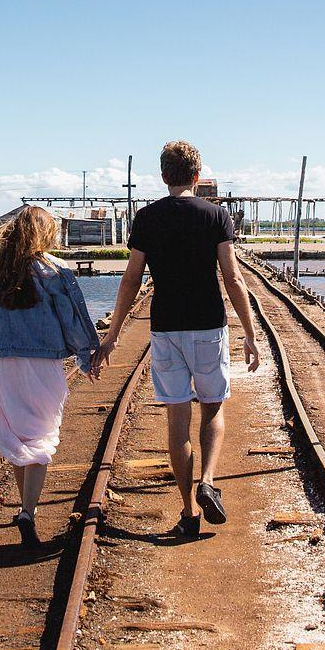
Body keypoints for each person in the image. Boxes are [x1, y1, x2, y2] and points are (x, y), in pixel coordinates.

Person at [97, 140, 260, 537]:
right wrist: (250, 333)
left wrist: (113, 334)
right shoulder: (216, 216)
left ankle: (188, 512)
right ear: (196, 175)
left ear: (163, 174)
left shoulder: (147, 218)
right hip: (208, 326)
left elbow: (132, 278)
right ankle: (208, 480)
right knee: (213, 408)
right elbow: (233, 278)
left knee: (176, 420)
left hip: (165, 328)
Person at [0, 205, 102, 547]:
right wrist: (88, 357)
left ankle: (25, 506)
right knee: (42, 436)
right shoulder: (54, 270)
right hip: (43, 364)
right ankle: (28, 511)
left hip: (5, 362)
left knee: (18, 436)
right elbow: (73, 319)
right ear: (46, 233)